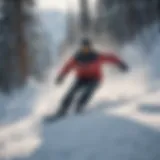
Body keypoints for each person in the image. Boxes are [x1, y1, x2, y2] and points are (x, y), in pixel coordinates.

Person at [47, 38, 128, 121]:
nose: (85, 50)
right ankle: (62, 109)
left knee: (89, 90)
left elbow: (111, 58)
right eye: (83, 48)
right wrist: (61, 76)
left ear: (90, 48)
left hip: (95, 79)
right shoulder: (77, 58)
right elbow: (67, 67)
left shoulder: (96, 56)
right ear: (80, 48)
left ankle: (80, 105)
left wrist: (120, 64)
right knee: (71, 92)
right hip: (81, 79)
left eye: (87, 48)